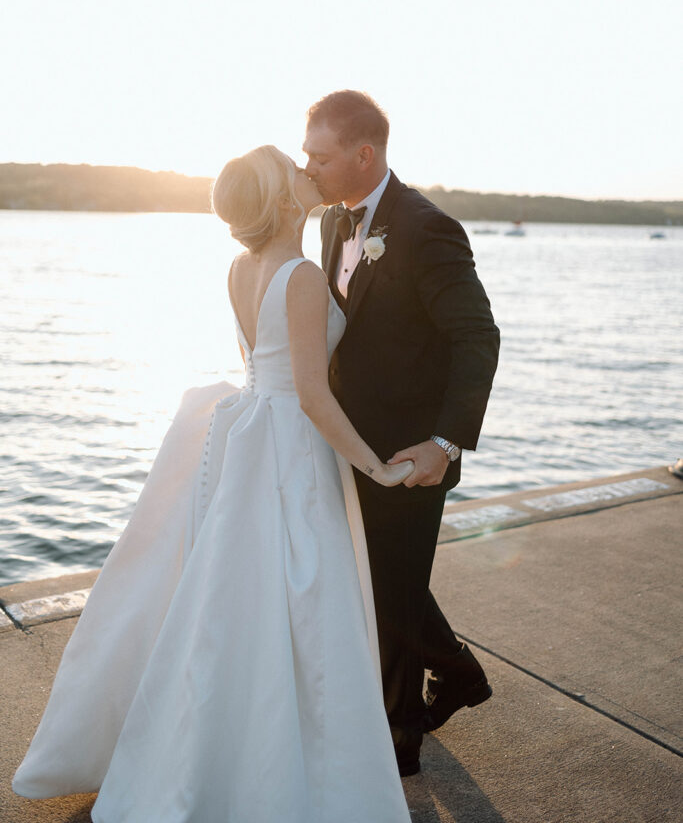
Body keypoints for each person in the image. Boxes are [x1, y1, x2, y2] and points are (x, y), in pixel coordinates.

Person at [12, 145, 414, 823]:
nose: (306, 169)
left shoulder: (239, 268)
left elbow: (260, 365)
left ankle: (215, 755)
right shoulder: (304, 276)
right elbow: (312, 396)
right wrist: (378, 468)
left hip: (248, 438)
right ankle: (281, 764)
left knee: (236, 600)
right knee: (297, 602)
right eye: (294, 166)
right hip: (290, 448)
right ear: (285, 200)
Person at [303, 90, 500, 776]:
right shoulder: (333, 222)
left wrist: (443, 445)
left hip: (412, 452)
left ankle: (397, 744)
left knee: (389, 594)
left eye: (319, 157)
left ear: (364, 154)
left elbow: (476, 335)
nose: (308, 168)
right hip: (347, 442)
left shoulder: (426, 227)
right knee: (382, 580)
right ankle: (461, 676)